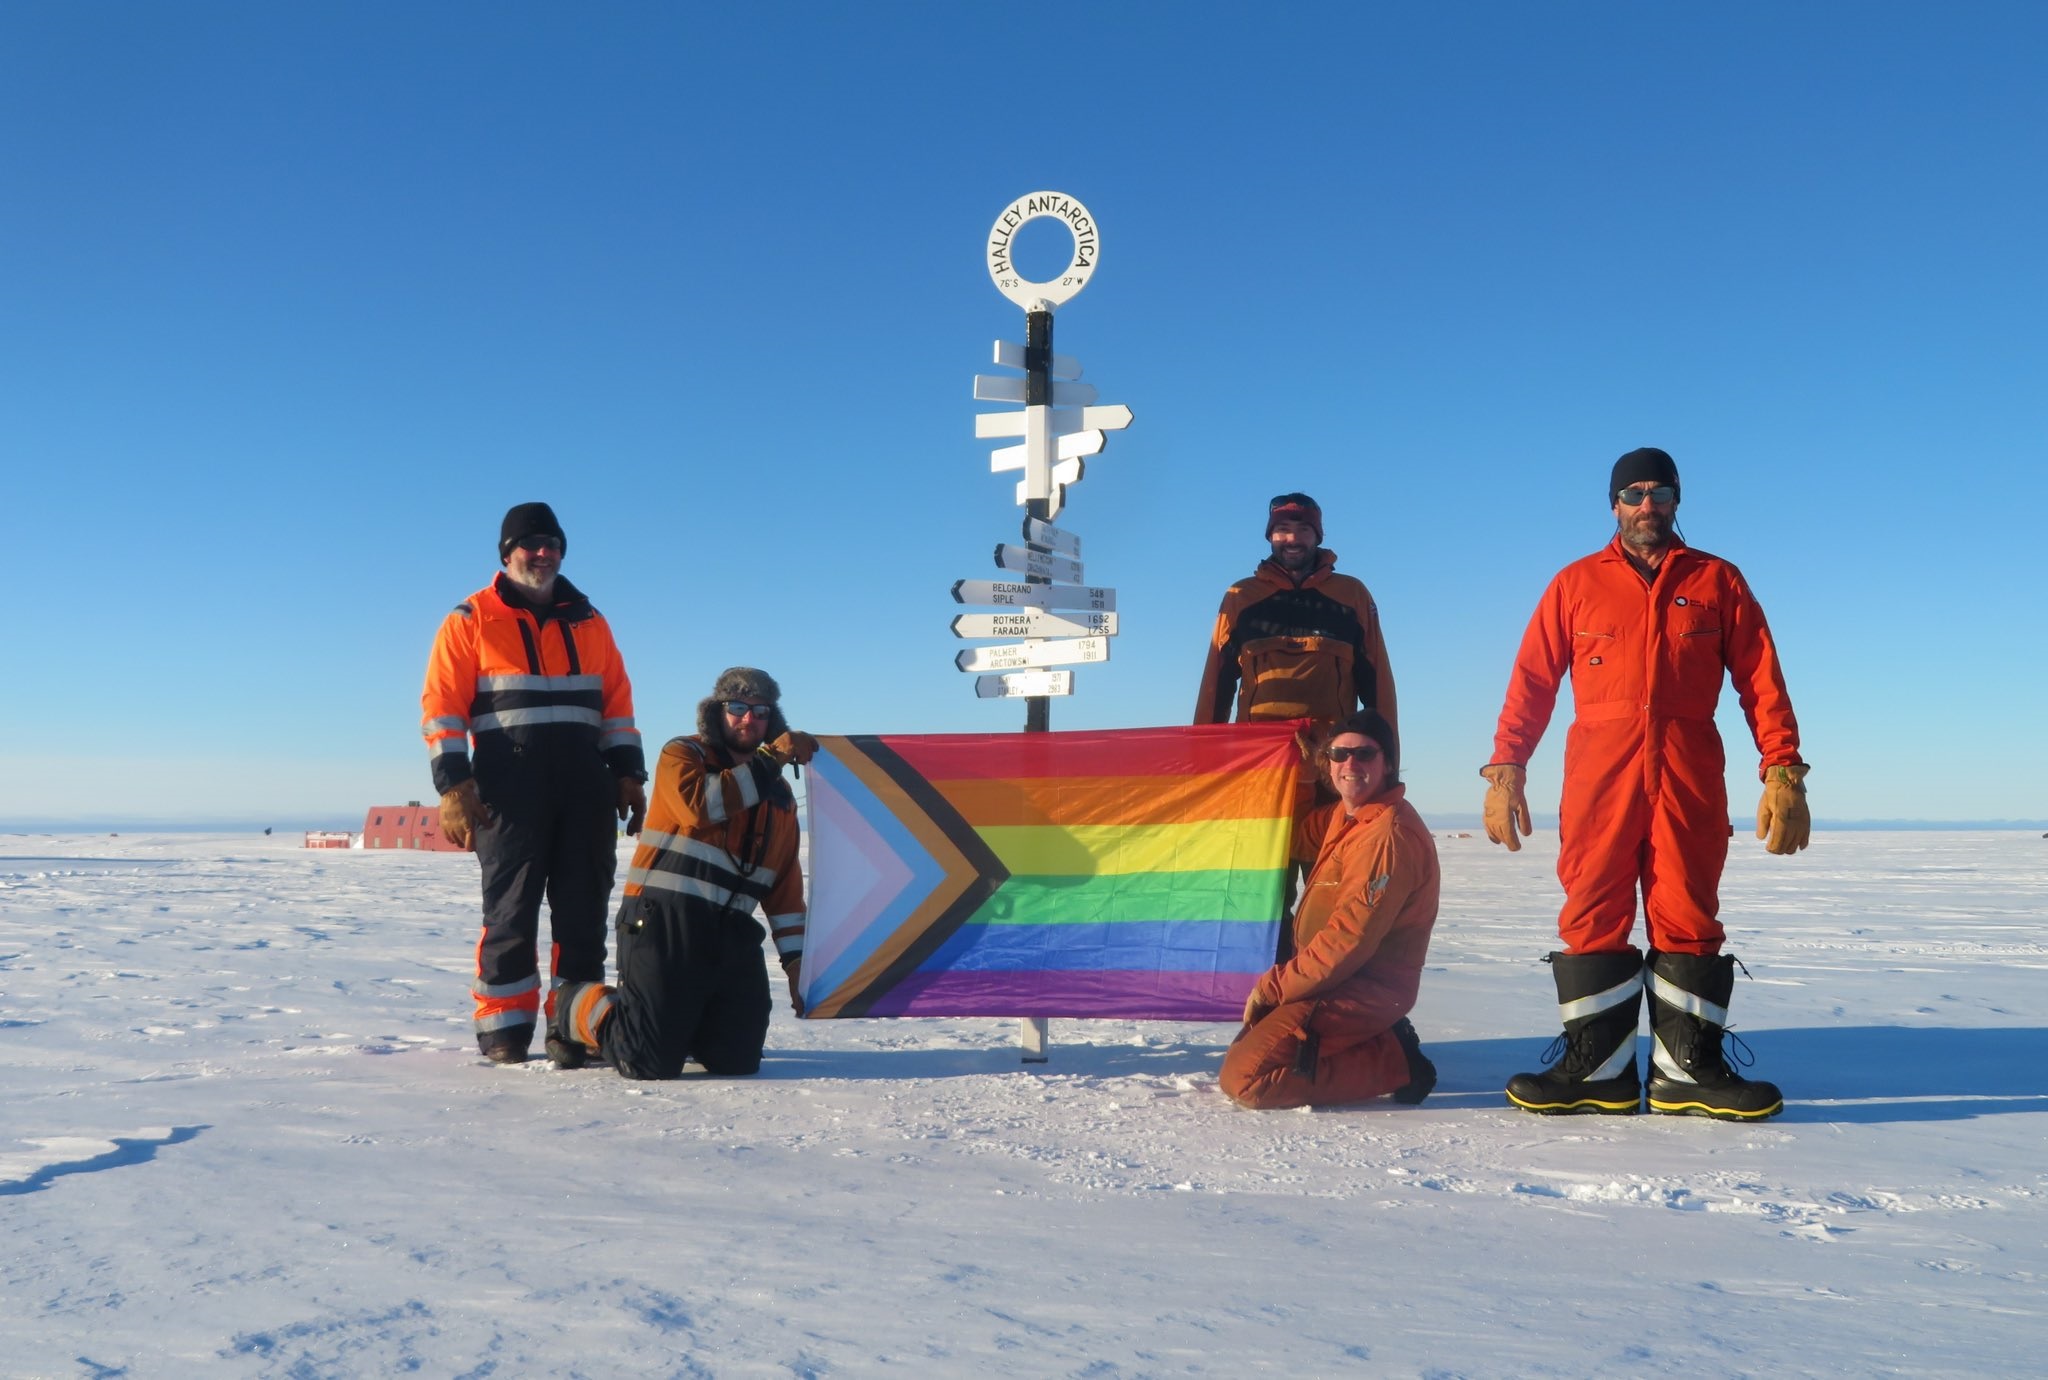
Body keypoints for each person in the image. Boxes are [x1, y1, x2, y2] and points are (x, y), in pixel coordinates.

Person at [1483, 448, 1808, 1121]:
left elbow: (1760, 681)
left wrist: (1783, 768)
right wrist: (1506, 767)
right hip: (1599, 769)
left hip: (1688, 763)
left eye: (1660, 492)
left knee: (1687, 909)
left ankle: (1687, 1073)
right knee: (1592, 906)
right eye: (1633, 493)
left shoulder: (1719, 580)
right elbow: (1533, 683)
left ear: (1677, 501)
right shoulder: (1575, 583)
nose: (1647, 504)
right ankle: (1595, 1072)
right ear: (1614, 505)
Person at [421, 502, 647, 1064]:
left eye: (552, 544)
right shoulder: (470, 619)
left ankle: (573, 1025)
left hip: (583, 789)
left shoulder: (590, 621)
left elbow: (617, 706)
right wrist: (453, 786)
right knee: (510, 912)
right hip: (507, 791)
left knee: (582, 913)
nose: (542, 554)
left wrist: (628, 776)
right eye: (530, 544)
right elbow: (442, 710)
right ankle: (504, 1027)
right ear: (506, 553)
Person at [550, 668, 814, 1079]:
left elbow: (785, 893)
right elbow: (700, 808)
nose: (749, 719)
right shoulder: (684, 755)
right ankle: (575, 1005)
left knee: (738, 1061)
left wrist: (799, 965)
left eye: (760, 712)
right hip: (662, 921)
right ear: (718, 711)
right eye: (738, 708)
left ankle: (678, 1024)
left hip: (731, 934)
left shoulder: (780, 798)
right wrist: (770, 760)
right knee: (647, 1062)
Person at [1220, 710, 1439, 1110]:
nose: (1350, 764)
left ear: (1387, 762)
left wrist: (1274, 986)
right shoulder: (1347, 816)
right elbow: (1294, 836)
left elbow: (1348, 941)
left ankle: (1396, 1061)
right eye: (1339, 754)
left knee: (1247, 1079)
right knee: (1251, 1041)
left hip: (1365, 987)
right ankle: (1374, 1038)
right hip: (1332, 980)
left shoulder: (1386, 836)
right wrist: (1299, 776)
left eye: (1364, 754)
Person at [1194, 492, 1398, 735]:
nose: (1292, 539)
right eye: (1282, 528)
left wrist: (1387, 764)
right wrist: (1202, 755)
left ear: (1318, 536)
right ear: (1270, 535)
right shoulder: (1241, 596)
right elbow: (1216, 684)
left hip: (1330, 758)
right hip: (1260, 758)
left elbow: (1378, 685)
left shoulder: (1352, 594)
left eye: (1304, 529)